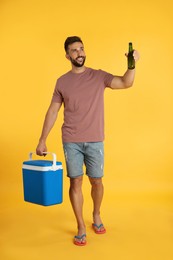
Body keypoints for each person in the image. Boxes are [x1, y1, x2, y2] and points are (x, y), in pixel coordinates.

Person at [36, 36, 140, 246]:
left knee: (97, 181)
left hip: (95, 140)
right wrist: (42, 140)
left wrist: (132, 65)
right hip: (71, 140)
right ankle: (81, 226)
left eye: (81, 49)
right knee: (75, 181)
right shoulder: (62, 82)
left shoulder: (98, 76)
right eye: (74, 50)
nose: (79, 53)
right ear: (67, 56)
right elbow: (53, 111)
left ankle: (96, 214)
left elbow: (126, 82)